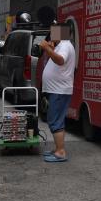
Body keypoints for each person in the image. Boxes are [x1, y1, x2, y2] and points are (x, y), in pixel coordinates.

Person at [40, 24, 76, 162]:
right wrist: (52, 47)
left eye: (53, 32)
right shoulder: (62, 45)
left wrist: (47, 48)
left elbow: (60, 60)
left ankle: (61, 152)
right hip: (56, 89)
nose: (51, 34)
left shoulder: (66, 46)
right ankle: (58, 149)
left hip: (59, 90)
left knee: (55, 120)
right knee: (55, 119)